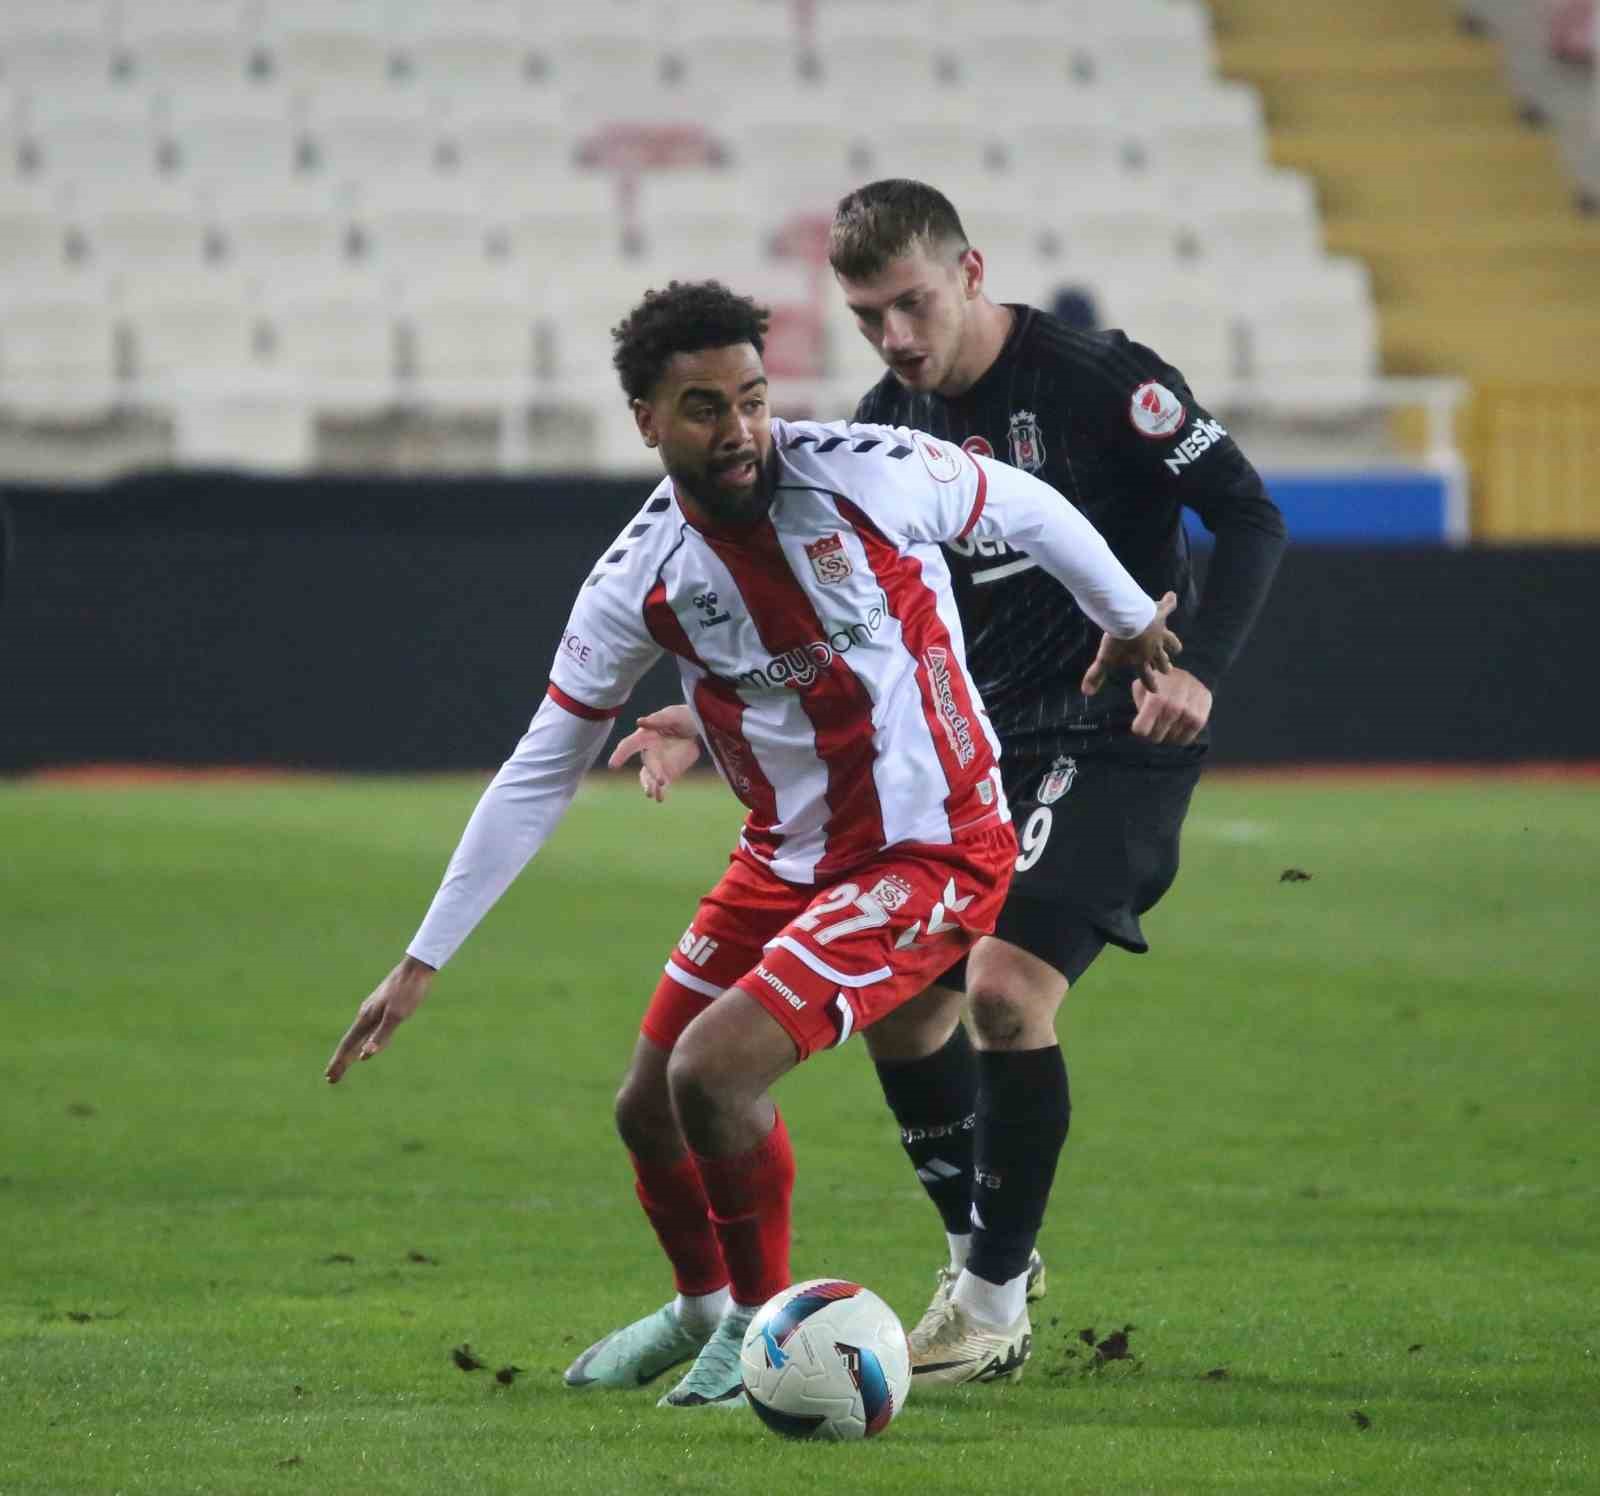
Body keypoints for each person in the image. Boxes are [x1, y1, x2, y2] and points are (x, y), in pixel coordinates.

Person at [323, 279, 1180, 1409]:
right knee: (647, 1103)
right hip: (786, 855)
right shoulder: (641, 577)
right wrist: (422, 958)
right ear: (645, 421)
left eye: (751, 399)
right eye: (701, 407)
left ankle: (767, 1337)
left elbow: (1023, 505)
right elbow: (542, 764)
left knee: (714, 1071)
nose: (737, 431)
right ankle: (703, 1309)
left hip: (932, 847)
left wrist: (1127, 620)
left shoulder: (862, 474)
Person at [611, 180, 1288, 1386]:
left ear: (970, 270)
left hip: (1115, 724)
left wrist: (1201, 670)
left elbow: (1245, 511)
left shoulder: (1095, 377)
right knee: (906, 1017)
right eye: (869, 317)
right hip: (977, 755)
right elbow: (852, 652)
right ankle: (989, 1261)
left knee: (1005, 991)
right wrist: (712, 726)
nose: (896, 339)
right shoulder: (884, 420)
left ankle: (983, 1303)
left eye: (912, 304)